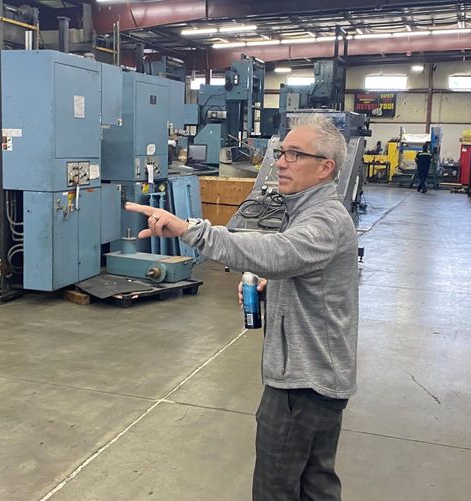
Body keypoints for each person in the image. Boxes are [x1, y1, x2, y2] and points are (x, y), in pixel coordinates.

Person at [125, 113, 359, 501]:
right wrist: (273, 288)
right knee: (315, 486)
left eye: (294, 154)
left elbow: (278, 252)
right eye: (282, 151)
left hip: (301, 385)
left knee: (275, 490)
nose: (281, 161)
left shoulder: (324, 219)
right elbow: (299, 267)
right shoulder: (309, 213)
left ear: (325, 168)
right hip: (319, 380)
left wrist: (190, 230)